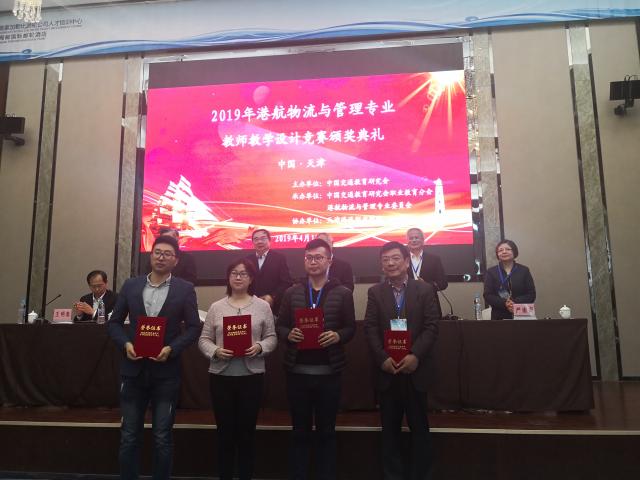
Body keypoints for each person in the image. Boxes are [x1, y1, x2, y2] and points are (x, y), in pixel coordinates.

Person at [107, 235, 201, 480]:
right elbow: (114, 323)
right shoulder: (131, 285)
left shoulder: (185, 289)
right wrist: (126, 344)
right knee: (129, 435)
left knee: (162, 437)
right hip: (133, 371)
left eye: (167, 254)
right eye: (157, 252)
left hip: (166, 373)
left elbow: (193, 328)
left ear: (176, 260)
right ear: (151, 256)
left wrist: (171, 348)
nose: (161, 257)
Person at [276, 238, 356, 480]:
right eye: (309, 258)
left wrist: (338, 335)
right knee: (299, 431)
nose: (313, 262)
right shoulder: (292, 292)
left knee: (326, 432)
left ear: (329, 260)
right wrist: (288, 334)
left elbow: (350, 328)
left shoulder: (343, 293)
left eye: (319, 257)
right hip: (297, 373)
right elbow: (280, 325)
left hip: (329, 374)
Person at [364, 241, 439, 480]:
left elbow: (431, 326)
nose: (390, 263)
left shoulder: (424, 290)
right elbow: (370, 328)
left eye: (396, 258)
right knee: (389, 432)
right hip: (388, 372)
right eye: (385, 259)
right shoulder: (375, 292)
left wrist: (415, 355)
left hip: (416, 370)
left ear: (407, 261)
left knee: (420, 430)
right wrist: (382, 359)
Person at [198, 258, 277, 480]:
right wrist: (215, 351)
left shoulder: (262, 307)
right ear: (228, 277)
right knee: (224, 433)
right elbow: (204, 340)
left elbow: (271, 337)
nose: (238, 277)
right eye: (234, 273)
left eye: (243, 273)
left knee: (246, 433)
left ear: (251, 279)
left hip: (251, 377)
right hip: (221, 377)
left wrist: (260, 347)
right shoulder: (216, 307)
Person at [483, 239, 536, 320]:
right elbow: (487, 295)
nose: (504, 252)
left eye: (508, 249)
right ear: (497, 254)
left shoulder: (524, 270)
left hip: (523, 314)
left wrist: (515, 302)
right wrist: (505, 303)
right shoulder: (491, 272)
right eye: (500, 250)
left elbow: (531, 294)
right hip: (500, 315)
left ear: (514, 252)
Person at [245, 228, 292, 314]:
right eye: (256, 239)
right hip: (251, 305)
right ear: (252, 242)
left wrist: (272, 297)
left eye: (263, 238)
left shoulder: (279, 258)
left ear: (269, 241)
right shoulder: (247, 260)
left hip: (274, 306)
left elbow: (286, 282)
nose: (259, 242)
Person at [406, 228, 447, 317]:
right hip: (407, 303)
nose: (414, 240)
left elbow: (443, 284)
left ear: (423, 240)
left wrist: (426, 285)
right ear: (407, 242)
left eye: (417, 237)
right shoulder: (402, 259)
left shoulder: (434, 259)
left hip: (430, 304)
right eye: (411, 238)